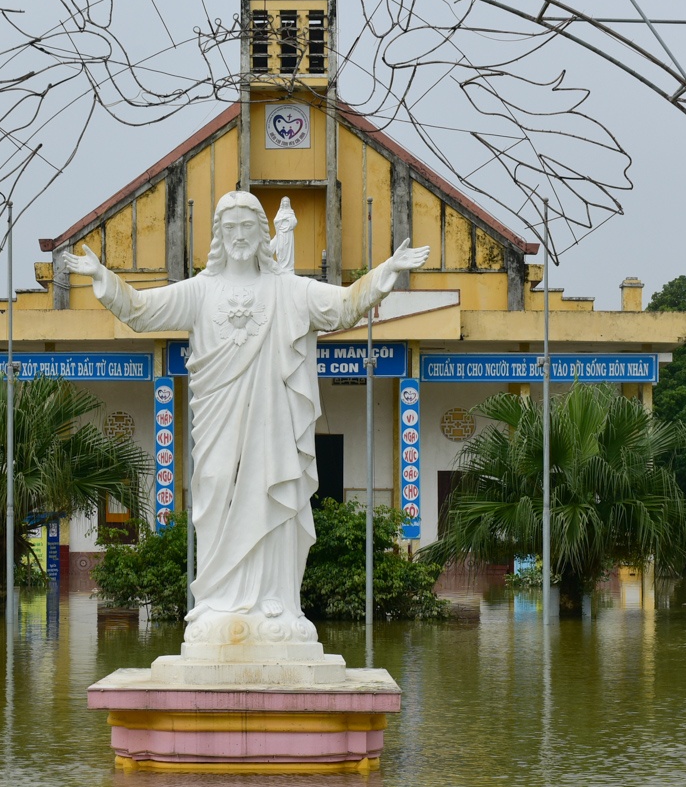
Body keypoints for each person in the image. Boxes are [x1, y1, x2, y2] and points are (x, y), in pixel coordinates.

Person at [64, 191, 428, 648]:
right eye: (229, 228)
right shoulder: (201, 291)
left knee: (272, 491)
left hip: (272, 420)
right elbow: (141, 310)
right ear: (219, 235)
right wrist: (103, 277)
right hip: (217, 418)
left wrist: (385, 274)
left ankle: (275, 597)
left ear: (261, 234)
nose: (238, 236)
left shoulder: (287, 290)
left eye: (247, 227)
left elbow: (342, 305)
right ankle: (217, 599)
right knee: (215, 487)